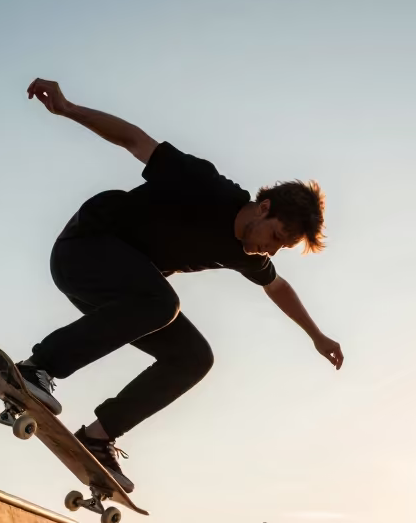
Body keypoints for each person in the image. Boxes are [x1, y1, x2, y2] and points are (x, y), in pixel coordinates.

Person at [17, 78, 343, 493]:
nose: (271, 251)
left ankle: (99, 437)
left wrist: (316, 336)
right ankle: (38, 367)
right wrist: (67, 109)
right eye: (276, 237)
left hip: (114, 292)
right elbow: (135, 140)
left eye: (282, 247)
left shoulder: (249, 253)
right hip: (83, 248)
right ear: (264, 208)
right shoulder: (206, 186)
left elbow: (277, 287)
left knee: (194, 357)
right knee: (161, 302)